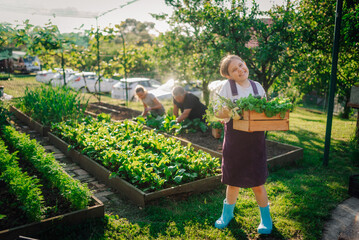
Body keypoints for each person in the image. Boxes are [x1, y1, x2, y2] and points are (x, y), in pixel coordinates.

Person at [214, 55, 272, 234]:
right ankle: (227, 214)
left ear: (245, 65)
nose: (240, 70)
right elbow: (217, 112)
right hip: (235, 142)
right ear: (229, 76)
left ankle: (266, 218)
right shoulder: (227, 88)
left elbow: (265, 110)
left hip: (255, 142)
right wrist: (227, 111)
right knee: (233, 181)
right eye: (234, 70)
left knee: (257, 182)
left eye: (241, 65)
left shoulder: (257, 86)